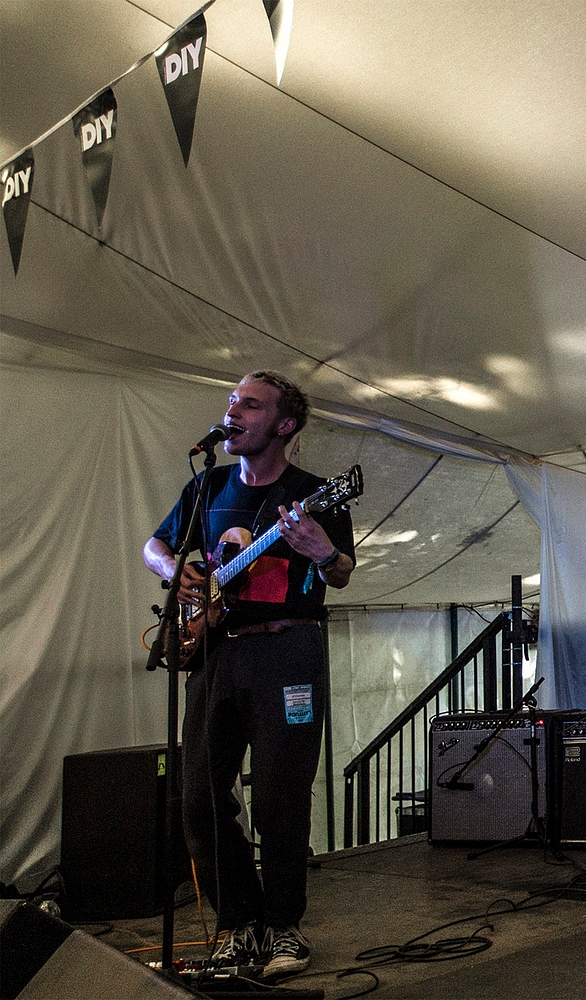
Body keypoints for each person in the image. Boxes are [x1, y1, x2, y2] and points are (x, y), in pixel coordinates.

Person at [143, 370, 355, 978]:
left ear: (284, 425)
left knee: (281, 796)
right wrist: (174, 570)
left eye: (250, 405)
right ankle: (237, 922)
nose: (232, 411)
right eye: (232, 401)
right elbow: (155, 546)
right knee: (199, 798)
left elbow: (340, 572)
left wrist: (320, 550)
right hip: (216, 652)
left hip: (287, 651)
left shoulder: (315, 493)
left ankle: (285, 927)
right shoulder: (207, 485)